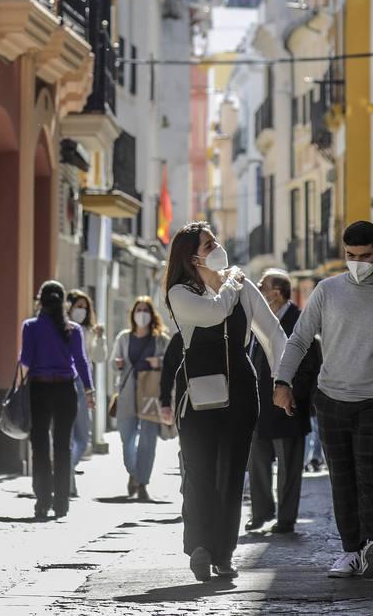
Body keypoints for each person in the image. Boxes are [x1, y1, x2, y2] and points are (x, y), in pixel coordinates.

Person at [274, 221, 373, 580]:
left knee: (371, 475)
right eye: (350, 256)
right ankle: (350, 551)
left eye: (363, 256)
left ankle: (372, 543)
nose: (357, 262)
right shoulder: (326, 291)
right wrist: (282, 381)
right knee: (342, 479)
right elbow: (298, 339)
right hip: (331, 399)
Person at [164, 222, 287, 582]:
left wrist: (282, 380)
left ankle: (224, 553)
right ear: (193, 256)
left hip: (241, 391)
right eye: (209, 243)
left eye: (216, 239)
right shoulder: (180, 292)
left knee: (232, 475)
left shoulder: (242, 286)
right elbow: (214, 312)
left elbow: (273, 333)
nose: (218, 246)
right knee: (199, 472)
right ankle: (200, 547)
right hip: (197, 393)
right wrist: (232, 282)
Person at [246, 269, 321, 534]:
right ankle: (261, 512)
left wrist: (290, 394)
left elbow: (311, 365)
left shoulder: (300, 322)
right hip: (258, 408)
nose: (257, 290)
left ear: (275, 293)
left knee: (289, 468)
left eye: (261, 286)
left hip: (288, 407)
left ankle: (286, 518)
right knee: (257, 463)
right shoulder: (259, 321)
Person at [18, 280, 94, 519]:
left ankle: (42, 501)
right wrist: (90, 391)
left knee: (39, 446)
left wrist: (18, 387)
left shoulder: (30, 327)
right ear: (64, 303)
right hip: (65, 391)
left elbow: (25, 361)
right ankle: (61, 503)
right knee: (63, 446)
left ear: (40, 300)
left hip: (39, 391)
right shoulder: (73, 329)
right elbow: (81, 361)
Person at [110, 296, 170, 501]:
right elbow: (112, 362)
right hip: (127, 393)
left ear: (152, 314)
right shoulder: (123, 337)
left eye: (145, 310)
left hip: (151, 394)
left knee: (148, 441)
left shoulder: (161, 339)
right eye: (138, 310)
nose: (141, 314)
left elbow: (173, 363)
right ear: (133, 314)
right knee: (126, 439)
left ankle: (142, 482)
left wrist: (158, 362)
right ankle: (133, 473)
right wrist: (117, 363)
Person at [66, 289, 106, 492]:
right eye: (77, 306)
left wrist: (100, 339)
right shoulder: (63, 328)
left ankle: (65, 470)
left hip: (84, 384)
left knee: (83, 437)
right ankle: (67, 479)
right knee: (68, 435)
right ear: (68, 307)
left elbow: (98, 358)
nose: (81, 310)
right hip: (66, 382)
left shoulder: (90, 330)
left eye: (84, 307)